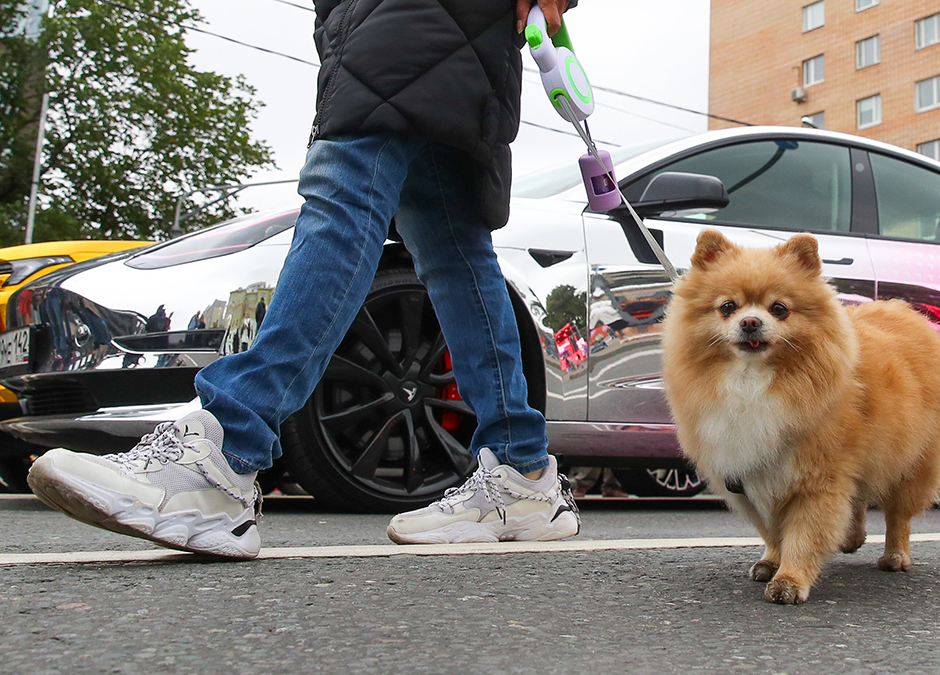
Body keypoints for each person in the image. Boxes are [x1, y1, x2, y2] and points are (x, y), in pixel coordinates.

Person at [25, 0, 581, 559]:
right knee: (453, 248)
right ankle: (520, 471)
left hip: (413, 20)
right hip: (407, 27)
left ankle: (226, 453)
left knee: (345, 194)